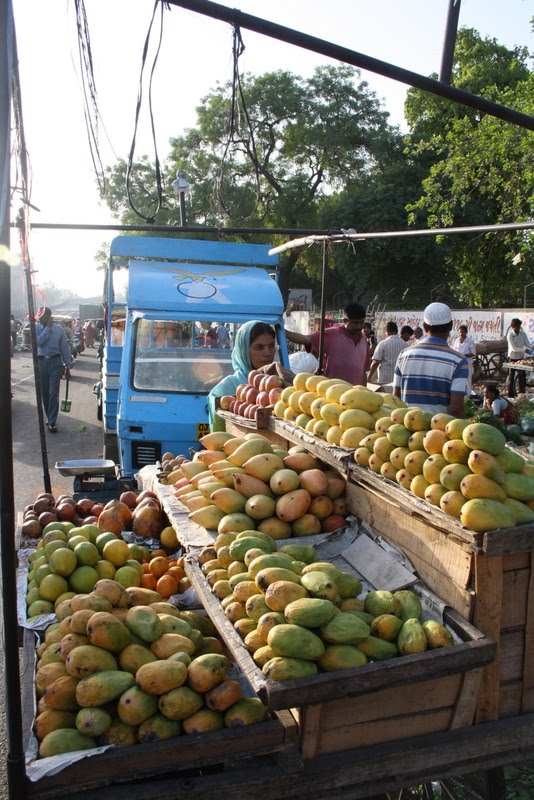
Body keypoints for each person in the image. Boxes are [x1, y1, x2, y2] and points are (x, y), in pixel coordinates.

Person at [393, 302, 469, 417]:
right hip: (438, 433)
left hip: (406, 430)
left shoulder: (404, 355)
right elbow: (455, 409)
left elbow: (395, 399)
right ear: (451, 326)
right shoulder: (459, 361)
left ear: (425, 327)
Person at [208, 320, 277, 431]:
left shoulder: (279, 383)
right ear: (244, 350)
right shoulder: (227, 387)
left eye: (271, 346)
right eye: (259, 347)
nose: (267, 353)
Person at [285, 302, 370, 386]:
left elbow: (363, 371)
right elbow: (305, 339)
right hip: (332, 392)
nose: (359, 326)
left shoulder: (363, 340)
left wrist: (365, 391)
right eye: (355, 323)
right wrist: (282, 332)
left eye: (361, 322)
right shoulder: (332, 334)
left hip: (355, 396)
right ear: (345, 321)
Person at [36, 307, 72, 432]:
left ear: (48, 317)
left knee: (53, 393)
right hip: (42, 362)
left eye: (42, 316)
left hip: (56, 362)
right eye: (39, 316)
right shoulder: (37, 328)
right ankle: (48, 415)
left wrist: (67, 365)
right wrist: (47, 328)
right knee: (45, 393)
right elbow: (39, 342)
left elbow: (64, 348)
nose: (40, 319)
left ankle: (52, 421)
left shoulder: (59, 329)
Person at [367, 321, 409, 391]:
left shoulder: (383, 344)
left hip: (384, 380)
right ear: (396, 331)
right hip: (399, 381)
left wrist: (369, 377)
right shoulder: (405, 344)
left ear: (386, 331)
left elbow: (376, 362)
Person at [507, 318, 532, 397]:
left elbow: (527, 343)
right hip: (512, 357)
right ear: (513, 327)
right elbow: (514, 348)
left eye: (519, 326)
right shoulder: (510, 335)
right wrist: (524, 350)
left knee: (522, 377)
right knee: (511, 377)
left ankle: (522, 394)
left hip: (520, 358)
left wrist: (531, 346)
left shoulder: (522, 334)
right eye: (516, 327)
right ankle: (510, 395)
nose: (518, 328)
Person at [451, 324, 477, 395]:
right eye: (460, 332)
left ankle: (467, 397)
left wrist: (462, 356)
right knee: (458, 381)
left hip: (467, 364)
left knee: (467, 382)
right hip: (457, 364)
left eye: (462, 332)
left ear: (466, 332)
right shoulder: (456, 341)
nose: (461, 334)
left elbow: (473, 353)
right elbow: (454, 351)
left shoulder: (470, 341)